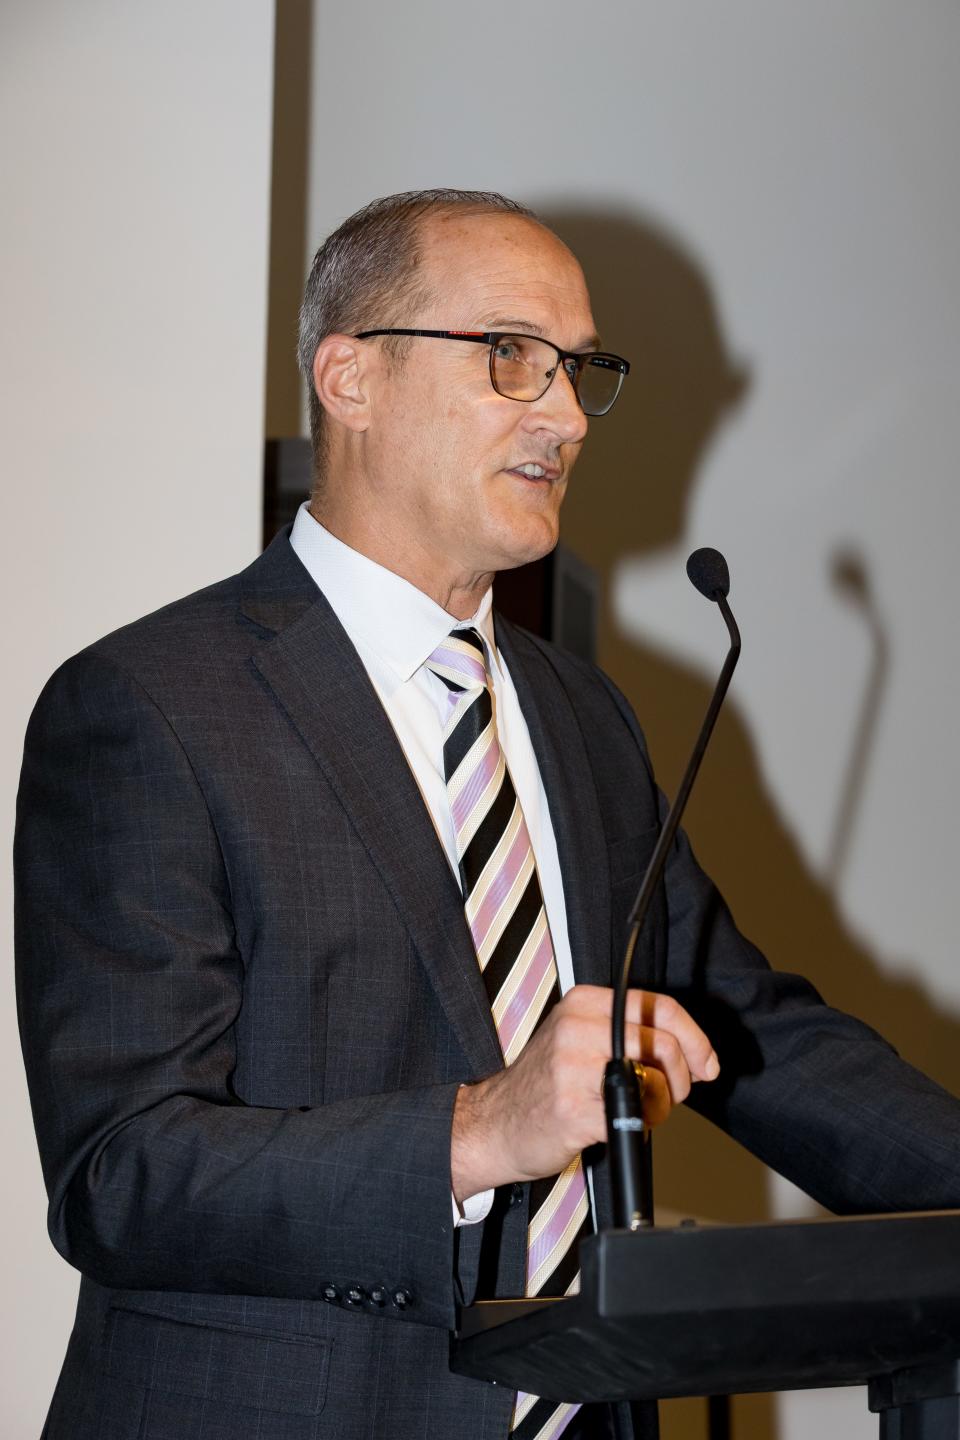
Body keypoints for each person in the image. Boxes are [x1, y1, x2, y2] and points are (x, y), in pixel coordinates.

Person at [15, 189, 960, 1440]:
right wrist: (480, 1131)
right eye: (514, 356)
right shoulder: (148, 705)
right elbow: (123, 1176)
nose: (567, 415)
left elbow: (743, 1028)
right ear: (349, 376)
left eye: (580, 370)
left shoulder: (584, 715)